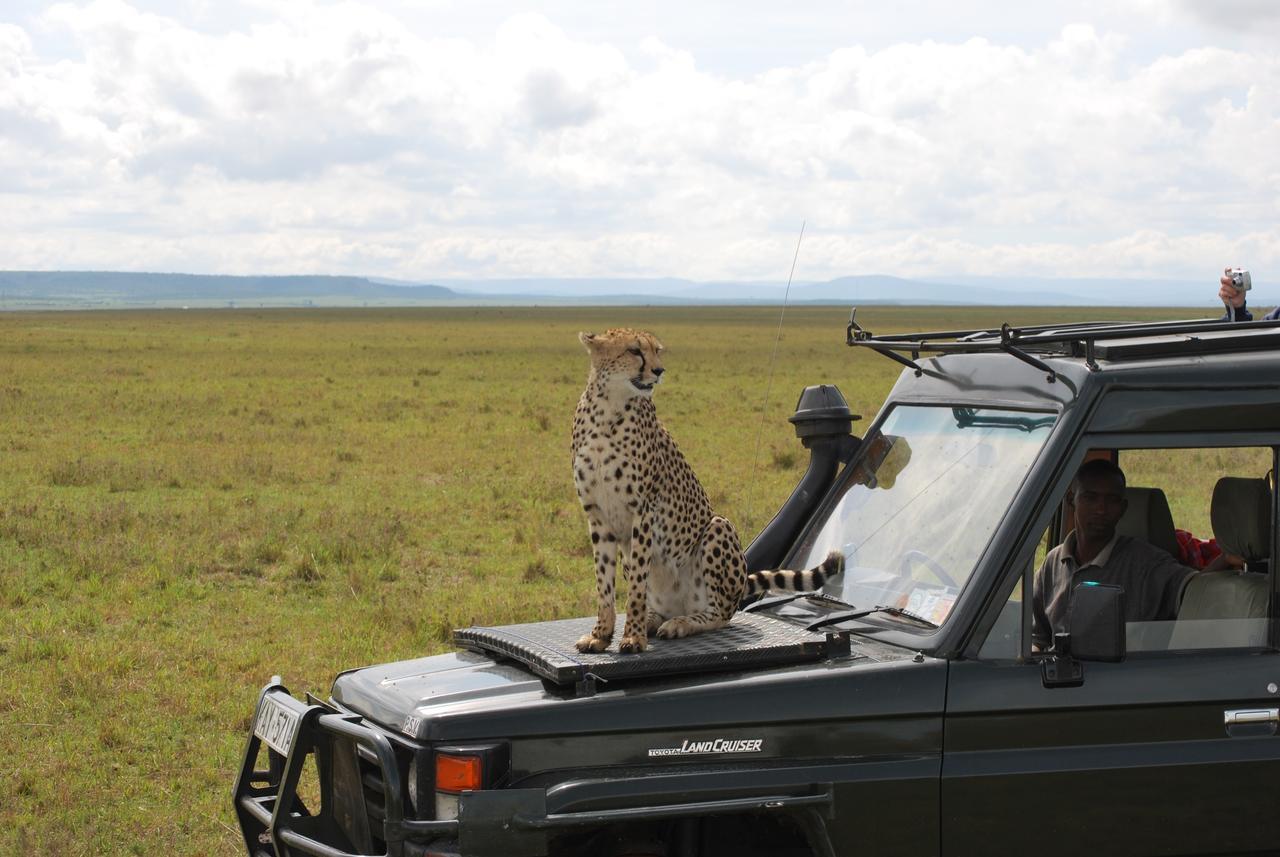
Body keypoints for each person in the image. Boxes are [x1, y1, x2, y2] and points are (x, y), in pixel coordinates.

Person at [1032, 459, 1197, 649]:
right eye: (1090, 498)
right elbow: (1038, 639)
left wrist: (1224, 560)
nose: (1101, 510)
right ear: (1071, 501)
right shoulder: (1053, 562)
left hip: (1118, 676)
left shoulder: (1147, 564)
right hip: (1059, 674)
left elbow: (1199, 591)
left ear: (1123, 509)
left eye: (1112, 500)